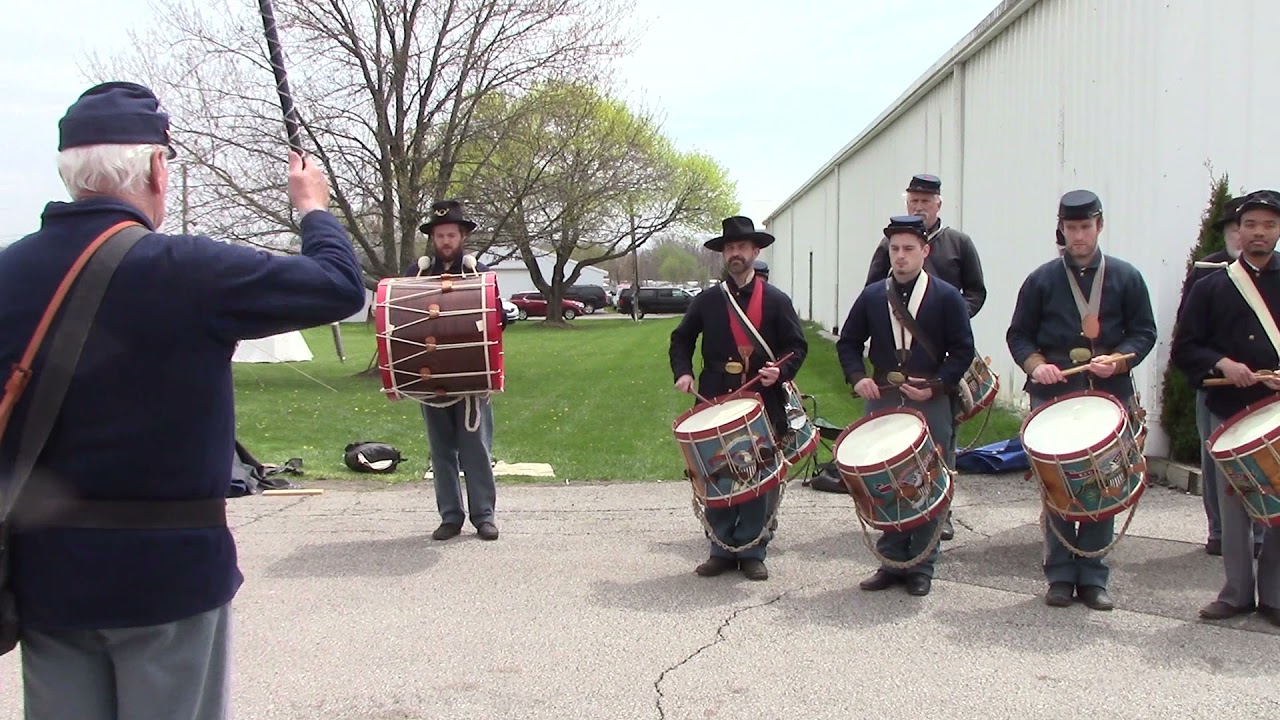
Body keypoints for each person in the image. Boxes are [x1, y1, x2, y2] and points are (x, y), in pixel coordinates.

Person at [0, 81, 366, 719]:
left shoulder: (10, 273)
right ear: (157, 169)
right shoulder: (189, 271)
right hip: (167, 575)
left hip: (47, 575)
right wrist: (313, 211)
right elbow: (337, 286)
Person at [1006, 189, 1157, 611]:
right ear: (1062, 230)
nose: (1078, 237)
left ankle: (1092, 577)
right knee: (1058, 488)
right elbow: (1018, 334)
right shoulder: (1041, 280)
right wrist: (1036, 365)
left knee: (1101, 486)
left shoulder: (1127, 277)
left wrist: (1122, 359)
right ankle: (1059, 575)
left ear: (1100, 226)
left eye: (1085, 227)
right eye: (1071, 229)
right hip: (1055, 396)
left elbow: (1144, 331)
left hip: (1108, 396)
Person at [837, 215, 975, 596]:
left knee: (927, 480)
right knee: (883, 479)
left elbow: (963, 349)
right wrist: (856, 377)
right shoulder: (871, 296)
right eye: (895, 249)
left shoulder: (946, 296)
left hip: (929, 397)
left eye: (908, 249)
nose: (900, 257)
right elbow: (848, 343)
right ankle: (892, 560)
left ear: (925, 251)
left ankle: (922, 565)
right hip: (883, 396)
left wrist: (936, 386)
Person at [669, 216, 808, 581]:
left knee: (756, 472)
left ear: (755, 251)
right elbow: (681, 339)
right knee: (716, 471)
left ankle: (752, 549)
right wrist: (682, 371)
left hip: (761, 397)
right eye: (729, 248)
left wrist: (781, 372)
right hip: (715, 395)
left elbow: (796, 347)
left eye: (741, 248)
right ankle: (720, 547)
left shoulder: (777, 300)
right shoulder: (708, 300)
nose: (735, 254)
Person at [1170, 188, 1280, 626]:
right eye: (1250, 225)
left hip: (1275, 409)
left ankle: (1274, 595)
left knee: (1276, 501)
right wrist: (1222, 363)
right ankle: (1235, 593)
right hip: (1230, 406)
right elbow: (1185, 347)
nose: (1258, 233)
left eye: (1268, 225)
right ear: (1238, 230)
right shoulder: (1212, 283)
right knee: (1234, 503)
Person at [861, 174, 986, 542]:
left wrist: (954, 317)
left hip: (942, 354)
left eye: (926, 201)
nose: (919, 206)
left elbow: (977, 291)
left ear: (938, 205)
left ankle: (939, 511)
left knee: (941, 437)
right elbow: (871, 290)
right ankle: (895, 510)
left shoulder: (958, 243)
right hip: (896, 360)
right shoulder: (888, 247)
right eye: (914, 200)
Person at [410, 199, 507, 542]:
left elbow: (500, 320)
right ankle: (450, 517)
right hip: (431, 377)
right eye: (440, 235)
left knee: (475, 448)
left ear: (462, 235)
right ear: (433, 239)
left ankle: (484, 516)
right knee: (440, 450)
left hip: (469, 379)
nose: (446, 241)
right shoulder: (416, 276)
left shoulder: (477, 275)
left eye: (451, 234)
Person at [1174, 195, 1265, 557]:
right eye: (1236, 227)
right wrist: (1218, 364)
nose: (1241, 235)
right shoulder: (1209, 272)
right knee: (1215, 462)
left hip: (1266, 393)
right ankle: (1219, 532)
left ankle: (1262, 537)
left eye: (1265, 225)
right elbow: (1188, 333)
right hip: (1217, 387)